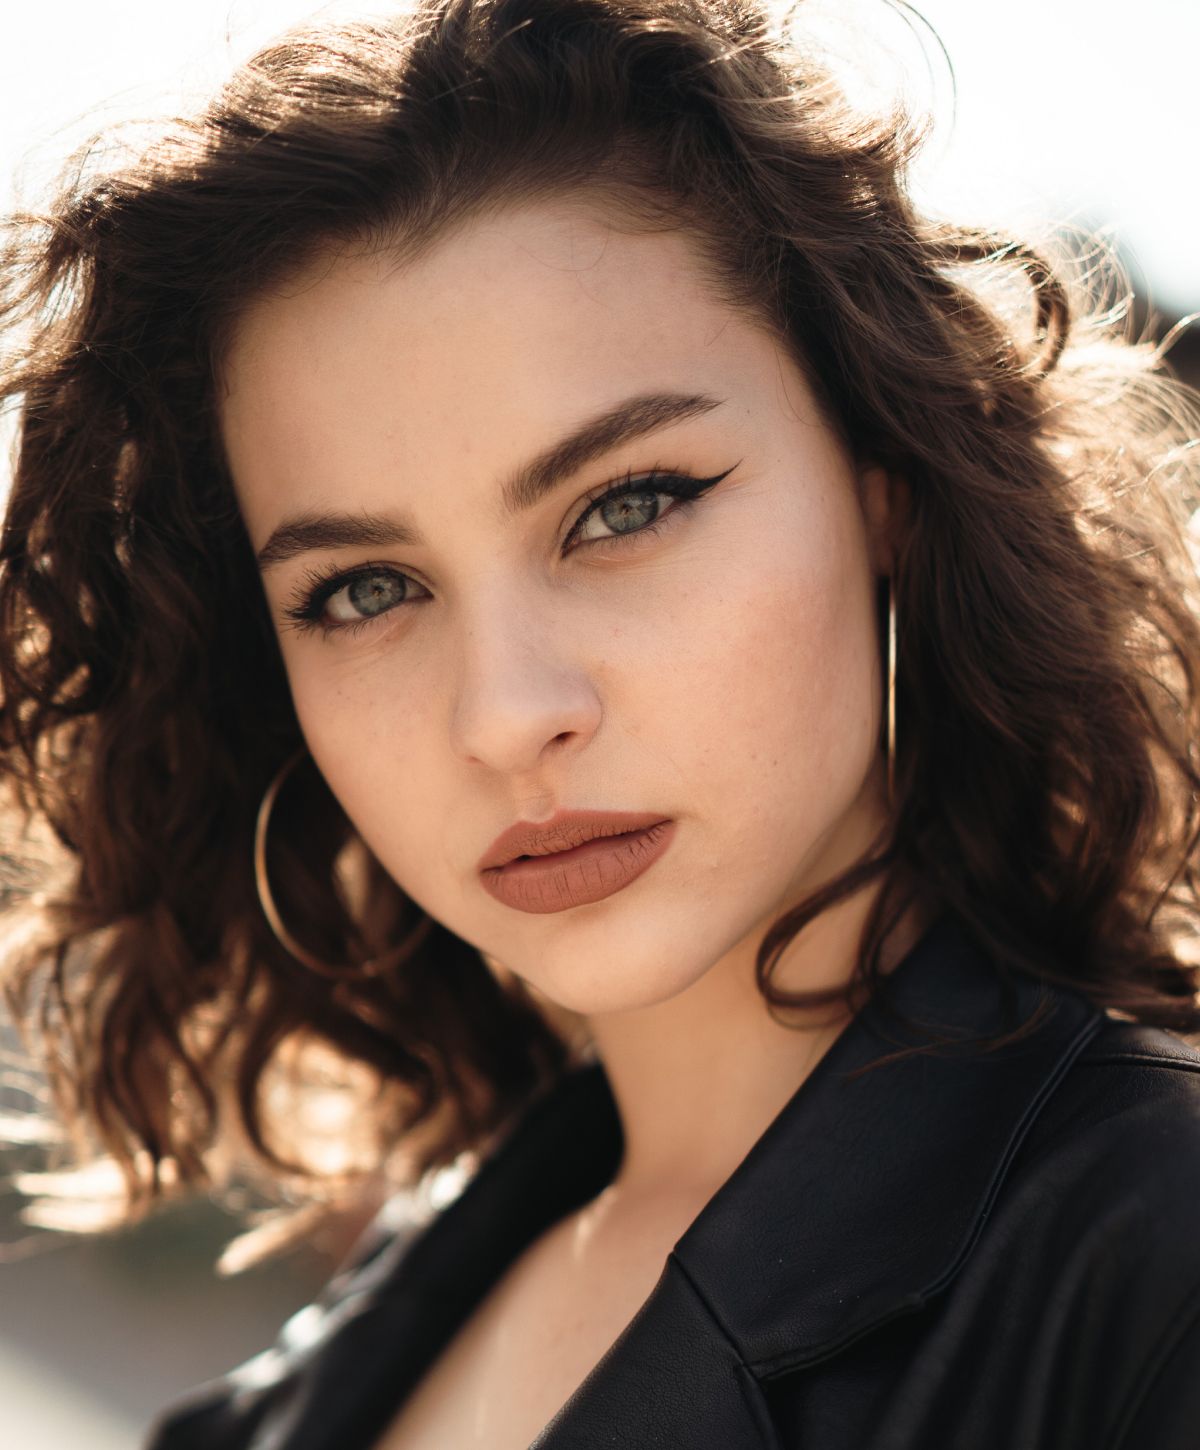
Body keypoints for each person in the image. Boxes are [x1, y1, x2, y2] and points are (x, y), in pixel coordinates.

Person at [1, 0, 1199, 1445]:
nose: (508, 715)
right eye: (365, 587)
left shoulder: (1151, 1265)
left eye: (627, 504)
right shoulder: (382, 1321)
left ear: (885, 482)